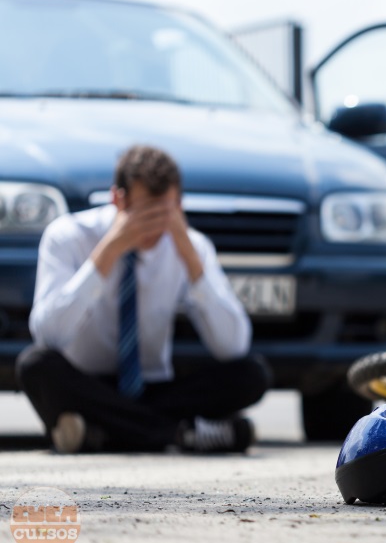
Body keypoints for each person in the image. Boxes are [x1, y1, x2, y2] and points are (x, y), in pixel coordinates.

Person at [15, 145, 271, 454]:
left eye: (164, 212)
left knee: (251, 374)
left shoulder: (193, 246)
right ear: (117, 200)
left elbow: (233, 345)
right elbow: (48, 335)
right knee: (35, 366)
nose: (154, 228)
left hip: (155, 389)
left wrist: (189, 258)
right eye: (145, 213)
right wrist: (107, 252)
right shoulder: (67, 236)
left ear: (178, 204)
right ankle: (181, 434)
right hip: (89, 385)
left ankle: (102, 433)